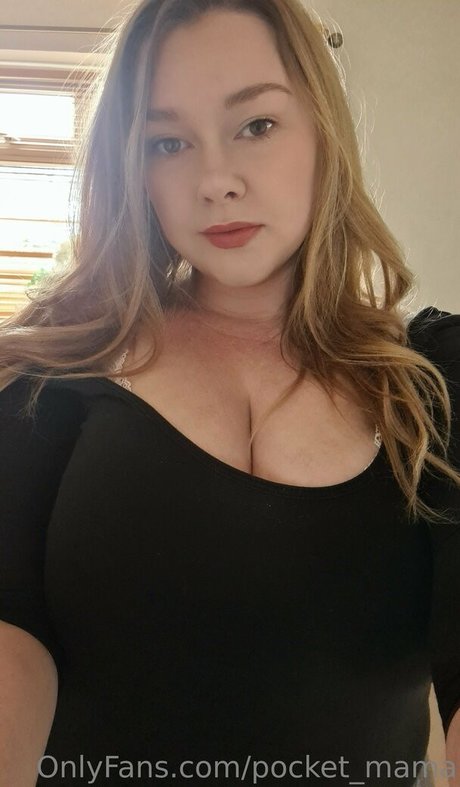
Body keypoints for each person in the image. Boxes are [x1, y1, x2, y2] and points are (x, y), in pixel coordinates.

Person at [0, 0, 459, 785]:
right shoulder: (55, 370)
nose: (215, 181)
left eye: (256, 125)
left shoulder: (436, 377)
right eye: (167, 142)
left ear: (324, 129)